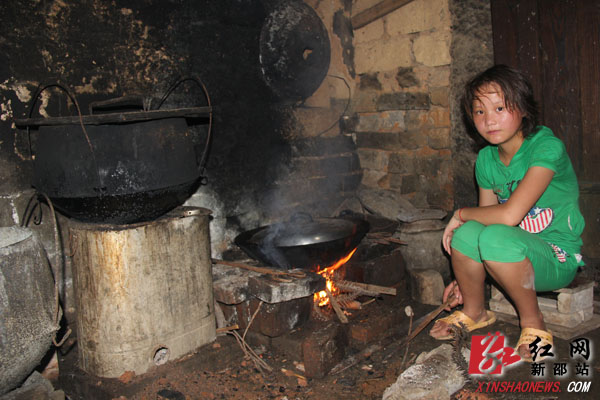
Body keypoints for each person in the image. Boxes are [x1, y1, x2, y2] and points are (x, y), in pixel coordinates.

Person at [428, 65, 585, 362]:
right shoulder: (486, 159)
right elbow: (485, 219)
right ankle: (475, 310)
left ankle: (534, 322)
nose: (489, 120)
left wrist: (459, 212)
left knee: (492, 234)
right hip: (511, 251)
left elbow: (509, 215)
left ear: (523, 108)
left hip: (555, 256)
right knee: (468, 234)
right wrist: (465, 276)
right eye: (479, 112)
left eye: (499, 107)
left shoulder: (545, 147)